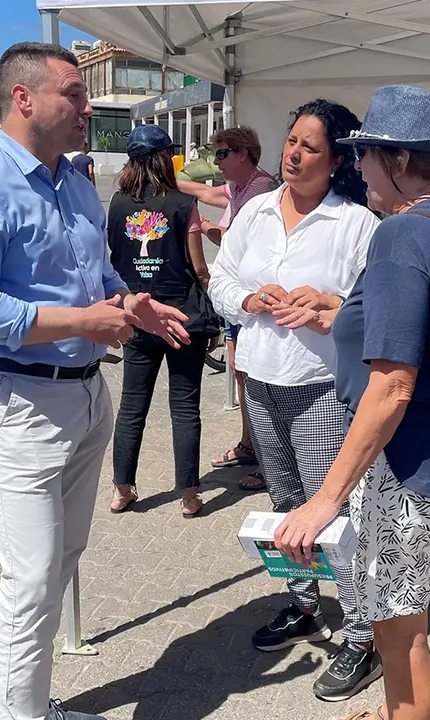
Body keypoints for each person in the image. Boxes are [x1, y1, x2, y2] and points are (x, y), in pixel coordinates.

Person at [0, 42, 189, 720]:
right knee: (33, 577)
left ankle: (32, 703)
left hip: (85, 392)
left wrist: (128, 302)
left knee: (61, 561)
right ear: (23, 98)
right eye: (73, 94)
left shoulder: (74, 182)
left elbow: (96, 274)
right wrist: (83, 320)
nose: (87, 108)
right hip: (19, 400)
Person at [273, 86, 430, 720]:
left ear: (397, 160)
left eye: (365, 153)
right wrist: (342, 310)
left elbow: (392, 387)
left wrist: (325, 499)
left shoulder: (400, 235)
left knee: (398, 634)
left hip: (409, 466)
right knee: (403, 615)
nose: (357, 166)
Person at [208, 99, 382, 703]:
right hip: (260, 378)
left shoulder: (356, 225)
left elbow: (372, 307)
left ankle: (361, 633)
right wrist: (250, 300)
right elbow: (221, 279)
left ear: (337, 161)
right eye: (291, 141)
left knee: (334, 511)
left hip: (321, 385)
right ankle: (305, 606)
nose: (294, 154)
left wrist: (326, 305)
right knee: (285, 507)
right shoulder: (255, 210)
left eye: (310, 147)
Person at [106, 124, 216, 518]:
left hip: (137, 314)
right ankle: (189, 494)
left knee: (132, 406)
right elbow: (199, 268)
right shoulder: (184, 204)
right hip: (182, 315)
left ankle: (122, 488)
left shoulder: (118, 204)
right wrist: (213, 307)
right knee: (184, 407)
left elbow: (114, 257)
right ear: (164, 158)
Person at [178, 126, 278, 491]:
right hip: (238, 297)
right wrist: (160, 177)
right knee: (239, 371)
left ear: (242, 153)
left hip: (254, 298)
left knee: (258, 377)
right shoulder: (238, 187)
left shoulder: (261, 189)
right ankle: (250, 444)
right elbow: (202, 191)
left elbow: (235, 241)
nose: (216, 162)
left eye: (221, 154)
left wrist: (202, 226)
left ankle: (271, 461)